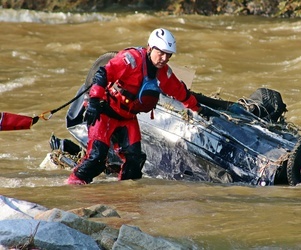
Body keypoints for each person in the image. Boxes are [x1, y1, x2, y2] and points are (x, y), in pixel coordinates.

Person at [67, 28, 212, 185]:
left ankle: (125, 196)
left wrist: (199, 109)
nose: (164, 58)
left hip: (127, 118)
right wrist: (94, 101)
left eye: (168, 54)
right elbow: (103, 73)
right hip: (105, 112)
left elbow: (179, 92)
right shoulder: (130, 60)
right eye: (161, 53)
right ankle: (73, 185)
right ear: (150, 48)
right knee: (96, 157)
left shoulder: (163, 72)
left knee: (135, 162)